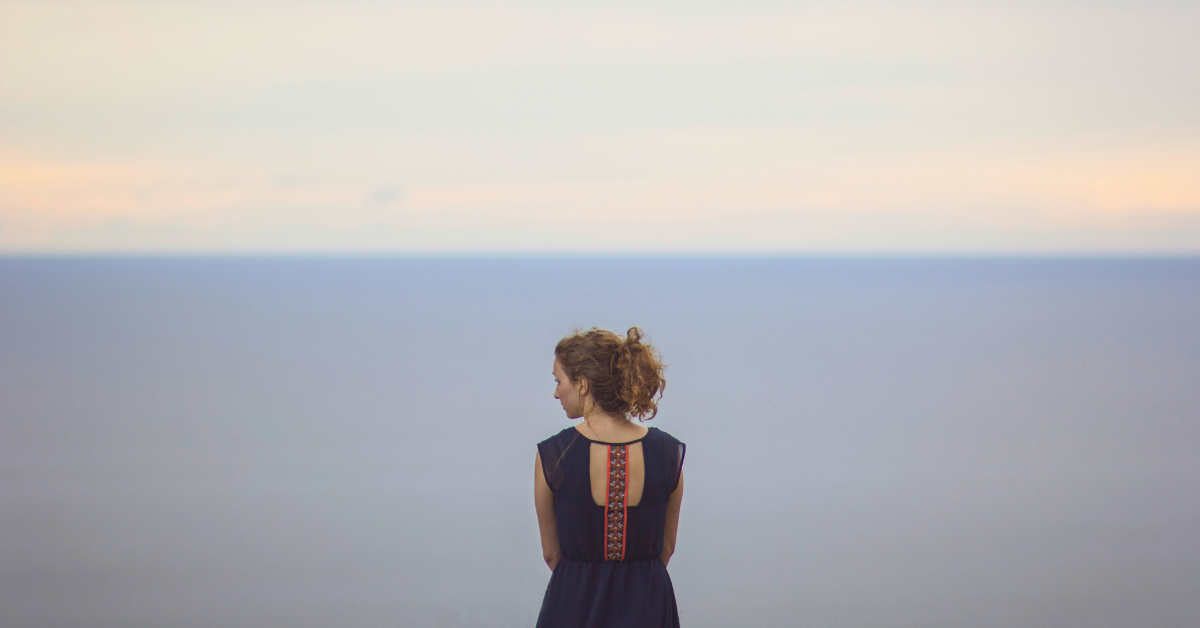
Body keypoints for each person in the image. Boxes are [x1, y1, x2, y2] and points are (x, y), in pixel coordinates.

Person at [534, 327, 686, 628]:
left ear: (582, 384)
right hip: (649, 606)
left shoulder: (553, 454)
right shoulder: (669, 453)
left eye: (558, 380)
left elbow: (552, 554)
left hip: (573, 605)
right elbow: (666, 548)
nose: (555, 392)